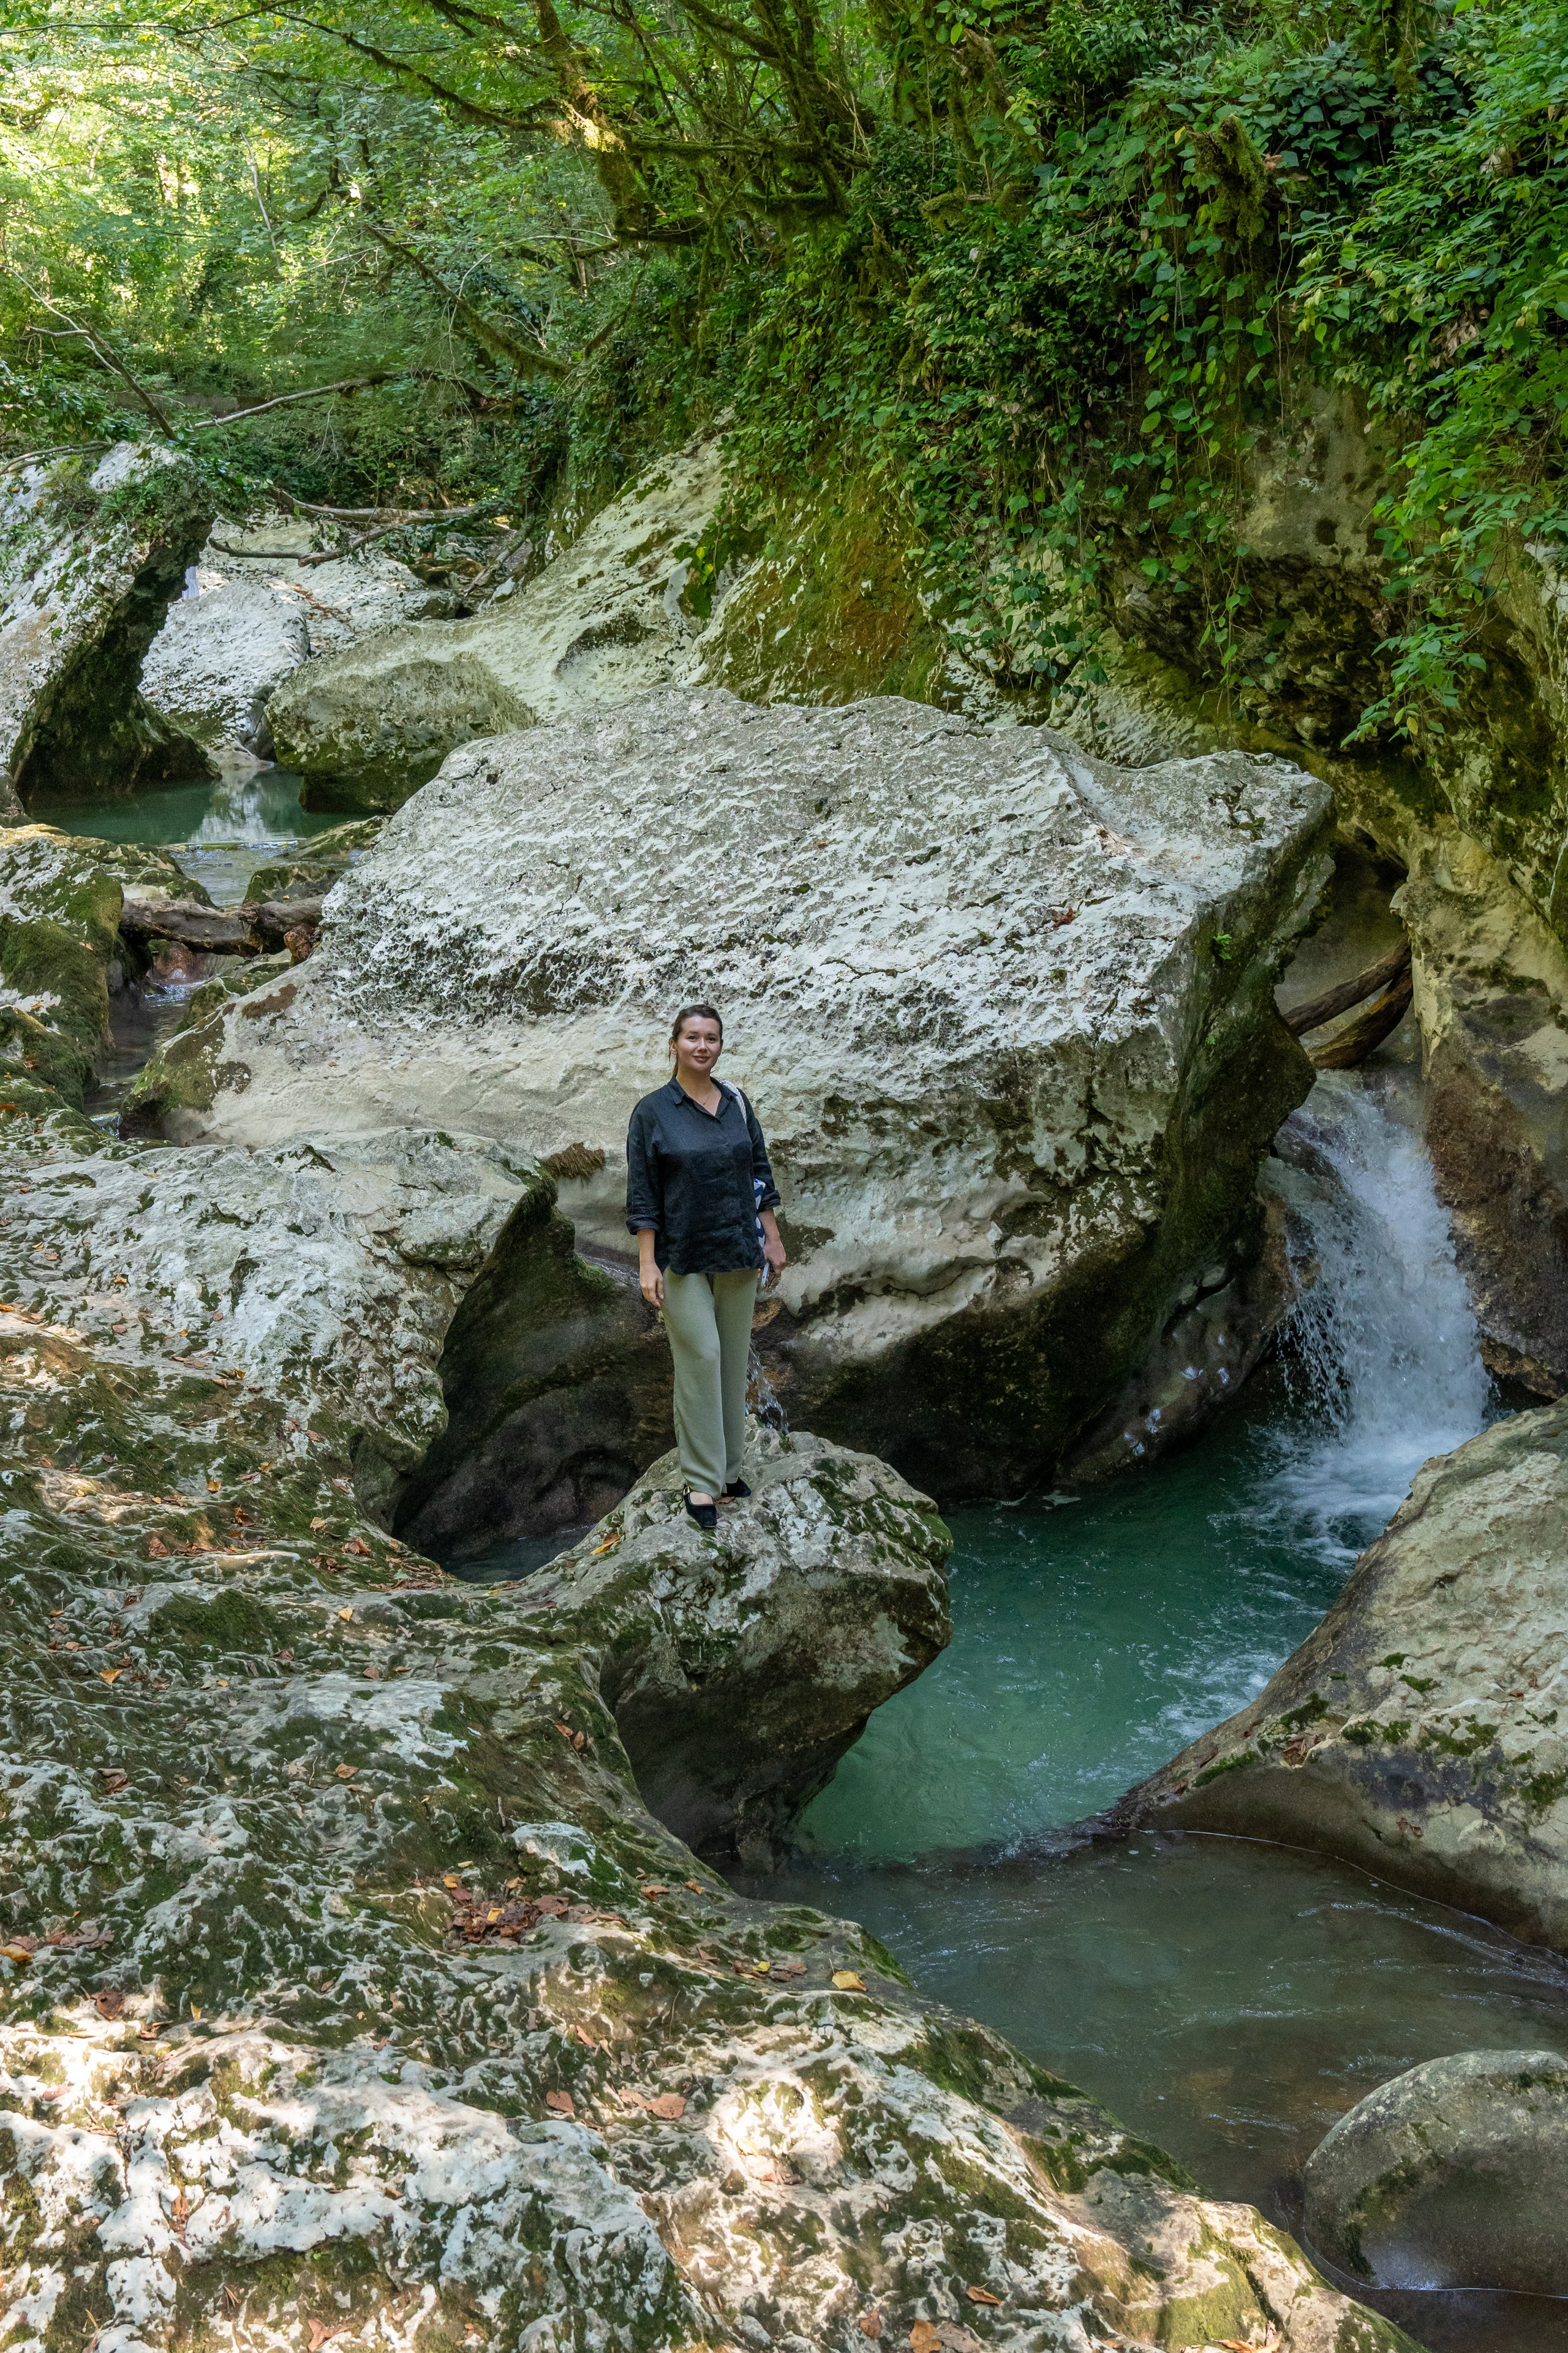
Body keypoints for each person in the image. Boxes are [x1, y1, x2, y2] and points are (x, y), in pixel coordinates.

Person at [626, 1005, 786, 1529]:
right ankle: (700, 1481)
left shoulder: (737, 1102)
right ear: (672, 1044)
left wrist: (774, 1236)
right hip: (682, 1254)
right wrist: (647, 1262)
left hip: (738, 1247)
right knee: (702, 1354)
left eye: (711, 1038)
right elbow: (643, 1193)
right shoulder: (652, 1112)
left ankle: (728, 1471)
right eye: (692, 1037)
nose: (703, 1046)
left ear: (720, 1045)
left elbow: (758, 1170)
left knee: (732, 1356)